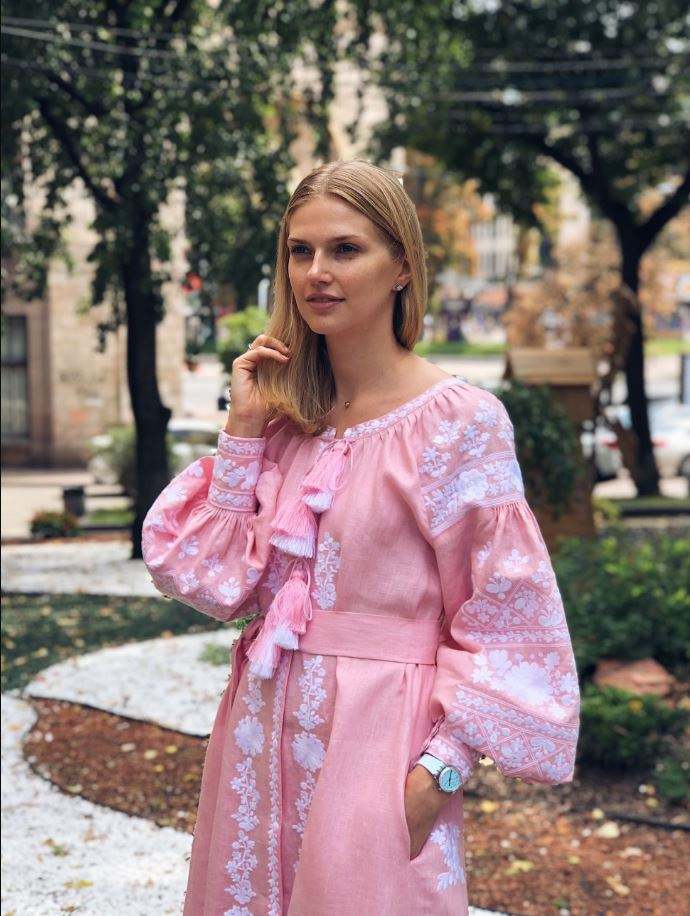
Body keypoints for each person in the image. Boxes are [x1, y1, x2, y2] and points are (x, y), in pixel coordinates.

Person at [142, 158, 581, 916]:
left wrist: (439, 772)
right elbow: (211, 582)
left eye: (345, 249)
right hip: (259, 740)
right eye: (300, 251)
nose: (317, 272)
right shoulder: (285, 422)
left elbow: (509, 617)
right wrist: (243, 434)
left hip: (382, 743)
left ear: (401, 266)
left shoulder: (458, 423)